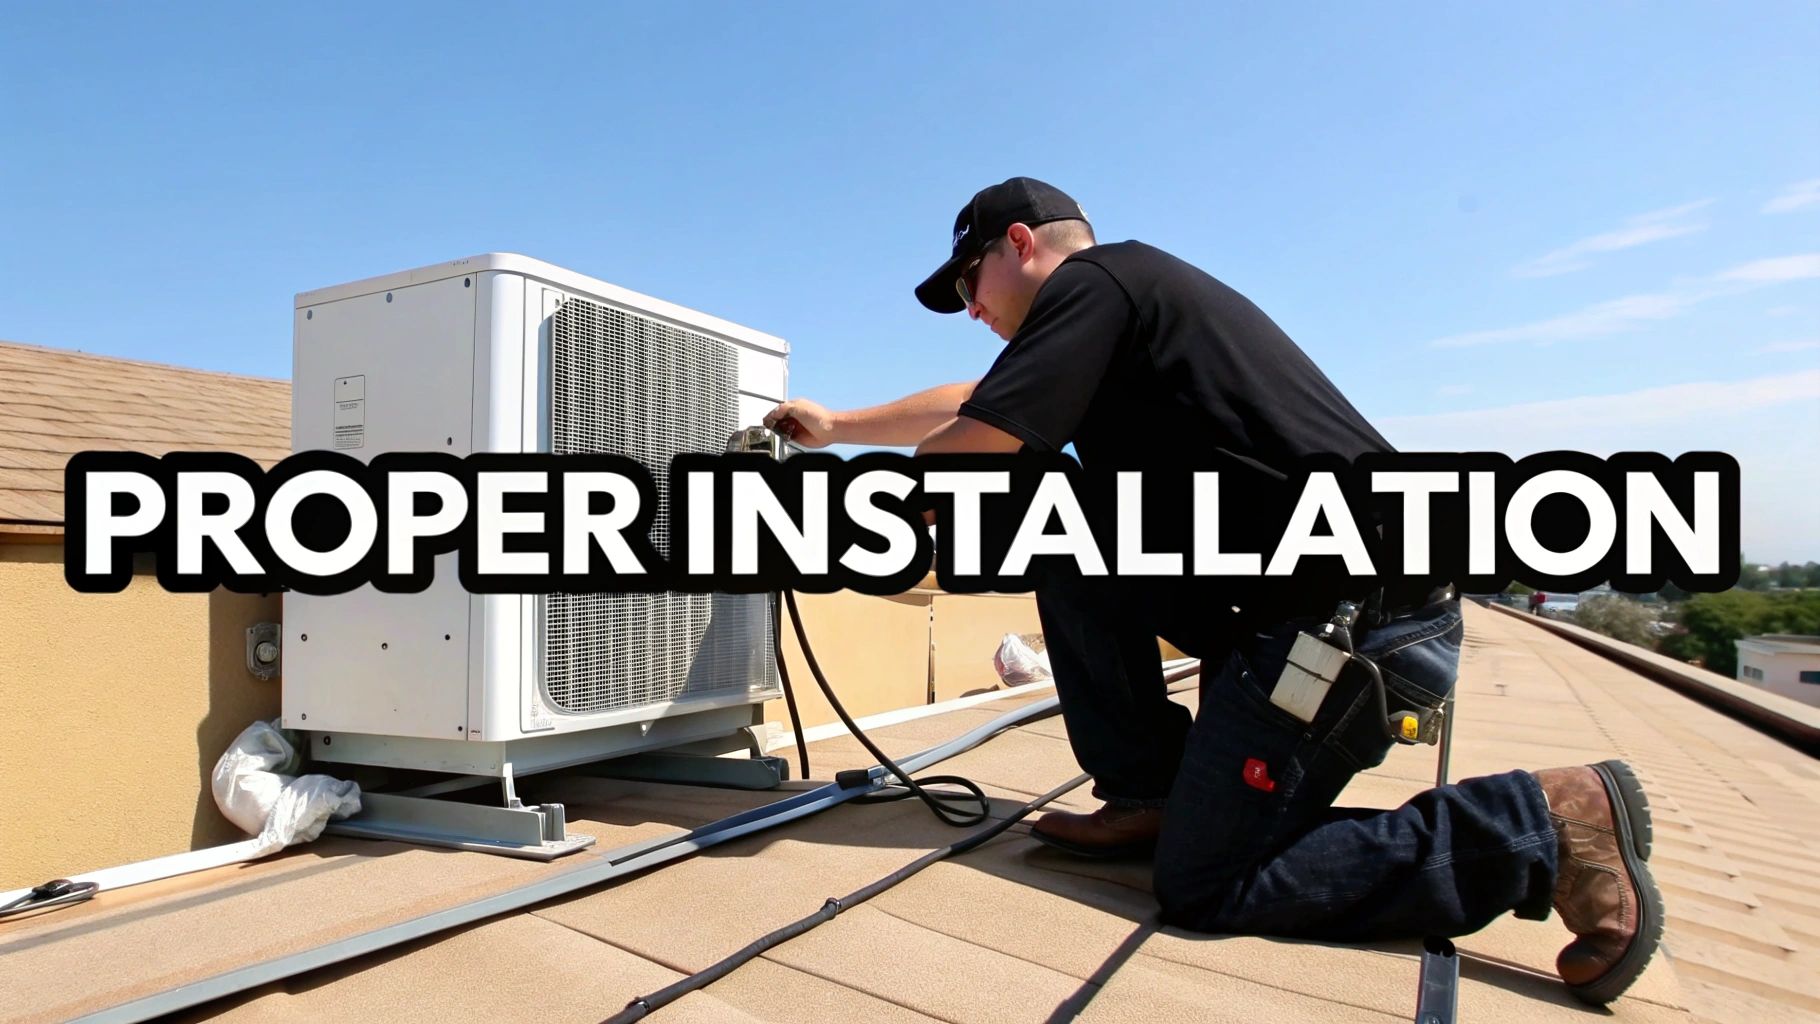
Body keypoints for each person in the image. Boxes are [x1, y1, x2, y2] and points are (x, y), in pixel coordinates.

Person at [764, 177, 1664, 1005]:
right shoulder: (1121, 306)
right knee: (1052, 522)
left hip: (1351, 630)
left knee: (1208, 882)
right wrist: (840, 427)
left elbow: (983, 437)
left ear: (1020, 243)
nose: (969, 309)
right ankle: (1148, 792)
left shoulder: (1098, 284)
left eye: (970, 283)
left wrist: (898, 494)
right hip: (1304, 615)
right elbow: (979, 398)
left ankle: (1538, 824)